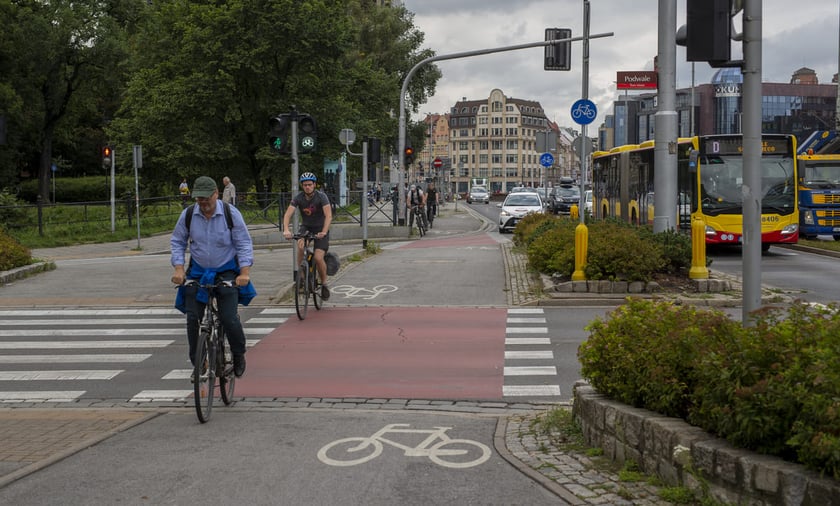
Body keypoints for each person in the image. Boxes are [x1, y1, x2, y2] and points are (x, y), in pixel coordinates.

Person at [170, 176, 254, 378]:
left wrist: (244, 273)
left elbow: (243, 243)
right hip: (198, 271)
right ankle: (198, 362)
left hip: (226, 271)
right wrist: (179, 269)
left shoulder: (229, 214)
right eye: (199, 199)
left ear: (216, 194)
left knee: (228, 317)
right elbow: (178, 241)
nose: (203, 204)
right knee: (192, 318)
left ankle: (238, 353)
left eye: (206, 199)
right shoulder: (189, 214)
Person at [282, 172, 333, 300]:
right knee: (300, 248)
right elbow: (288, 214)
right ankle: (304, 280)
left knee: (318, 257)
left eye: (310, 185)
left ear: (314, 185)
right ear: (302, 186)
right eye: (305, 185)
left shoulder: (322, 197)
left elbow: (328, 216)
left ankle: (324, 283)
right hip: (306, 227)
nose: (307, 187)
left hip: (321, 228)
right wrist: (286, 229)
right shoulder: (298, 198)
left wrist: (324, 232)